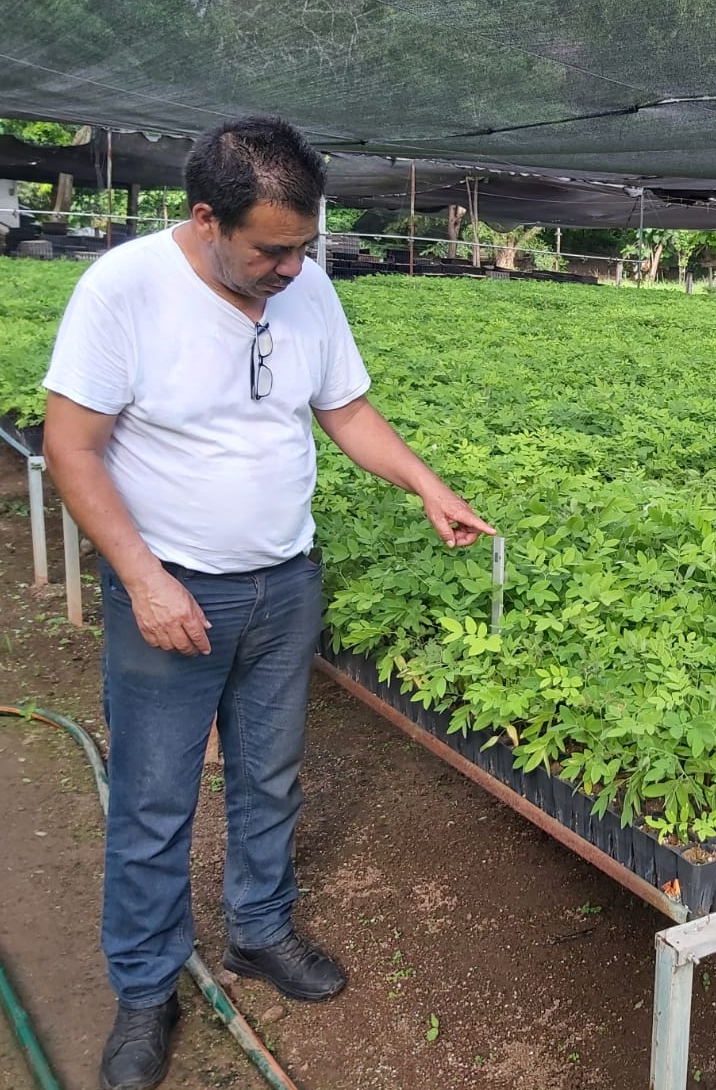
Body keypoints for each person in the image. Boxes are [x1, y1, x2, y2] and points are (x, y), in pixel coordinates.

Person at [42, 116, 497, 1090]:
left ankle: (258, 930)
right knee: (155, 800)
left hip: (284, 583)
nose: (293, 268)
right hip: (171, 592)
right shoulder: (123, 291)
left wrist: (426, 484)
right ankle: (146, 988)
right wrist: (144, 580)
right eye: (271, 252)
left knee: (270, 776)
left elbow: (345, 407)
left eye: (303, 246)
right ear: (207, 218)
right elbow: (71, 449)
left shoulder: (306, 286)